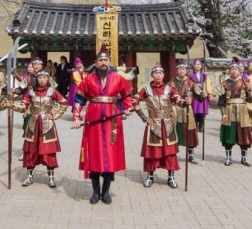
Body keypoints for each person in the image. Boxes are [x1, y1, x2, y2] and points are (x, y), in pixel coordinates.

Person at [72, 50, 134, 205]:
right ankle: (95, 192)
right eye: (100, 61)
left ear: (110, 62)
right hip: (93, 121)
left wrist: (127, 108)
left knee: (110, 155)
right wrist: (76, 117)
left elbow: (127, 95)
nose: (103, 63)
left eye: (106, 60)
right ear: (96, 62)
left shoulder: (118, 78)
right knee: (94, 154)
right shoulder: (88, 79)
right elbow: (79, 99)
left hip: (112, 121)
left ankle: (106, 192)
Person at [133, 66, 182, 188]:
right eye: (155, 73)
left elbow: (177, 100)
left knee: (170, 152)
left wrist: (185, 102)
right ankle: (150, 176)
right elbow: (134, 101)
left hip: (168, 124)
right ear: (152, 75)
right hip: (153, 124)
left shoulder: (170, 89)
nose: (158, 75)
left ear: (163, 75)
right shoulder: (146, 90)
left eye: (160, 72)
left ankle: (171, 177)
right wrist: (144, 117)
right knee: (151, 152)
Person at [18, 70, 69, 188]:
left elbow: (64, 103)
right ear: (37, 79)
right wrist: (14, 106)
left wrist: (55, 115)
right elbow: (23, 105)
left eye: (44, 78)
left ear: (48, 79)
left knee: (49, 151)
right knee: (30, 151)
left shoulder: (52, 92)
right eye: (40, 78)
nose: (42, 80)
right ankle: (30, 177)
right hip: (33, 124)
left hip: (48, 124)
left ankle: (51, 178)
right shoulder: (30, 92)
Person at [219, 61, 252, 166]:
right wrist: (223, 113)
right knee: (228, 135)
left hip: (243, 111)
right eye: (232, 69)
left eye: (236, 69)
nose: (234, 71)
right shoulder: (224, 83)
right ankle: (228, 157)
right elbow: (221, 100)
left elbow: (250, 98)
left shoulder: (245, 82)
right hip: (229, 110)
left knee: (244, 135)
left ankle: (244, 158)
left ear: (240, 71)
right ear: (229, 71)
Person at [172, 62, 199, 164]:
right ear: (177, 70)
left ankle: (191, 155)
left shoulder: (191, 83)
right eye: (179, 69)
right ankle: (173, 154)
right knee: (174, 131)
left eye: (183, 69)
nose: (182, 71)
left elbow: (198, 96)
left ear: (186, 71)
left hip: (188, 110)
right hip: (175, 110)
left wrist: (203, 95)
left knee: (190, 132)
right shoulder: (171, 83)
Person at [188, 58, 212, 133]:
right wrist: (195, 85)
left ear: (201, 66)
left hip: (202, 95)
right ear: (193, 65)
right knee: (194, 111)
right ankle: (195, 125)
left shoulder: (204, 75)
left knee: (202, 111)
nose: (197, 66)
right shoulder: (190, 75)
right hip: (194, 96)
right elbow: (188, 84)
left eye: (199, 64)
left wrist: (209, 93)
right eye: (196, 64)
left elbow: (208, 85)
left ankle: (201, 126)